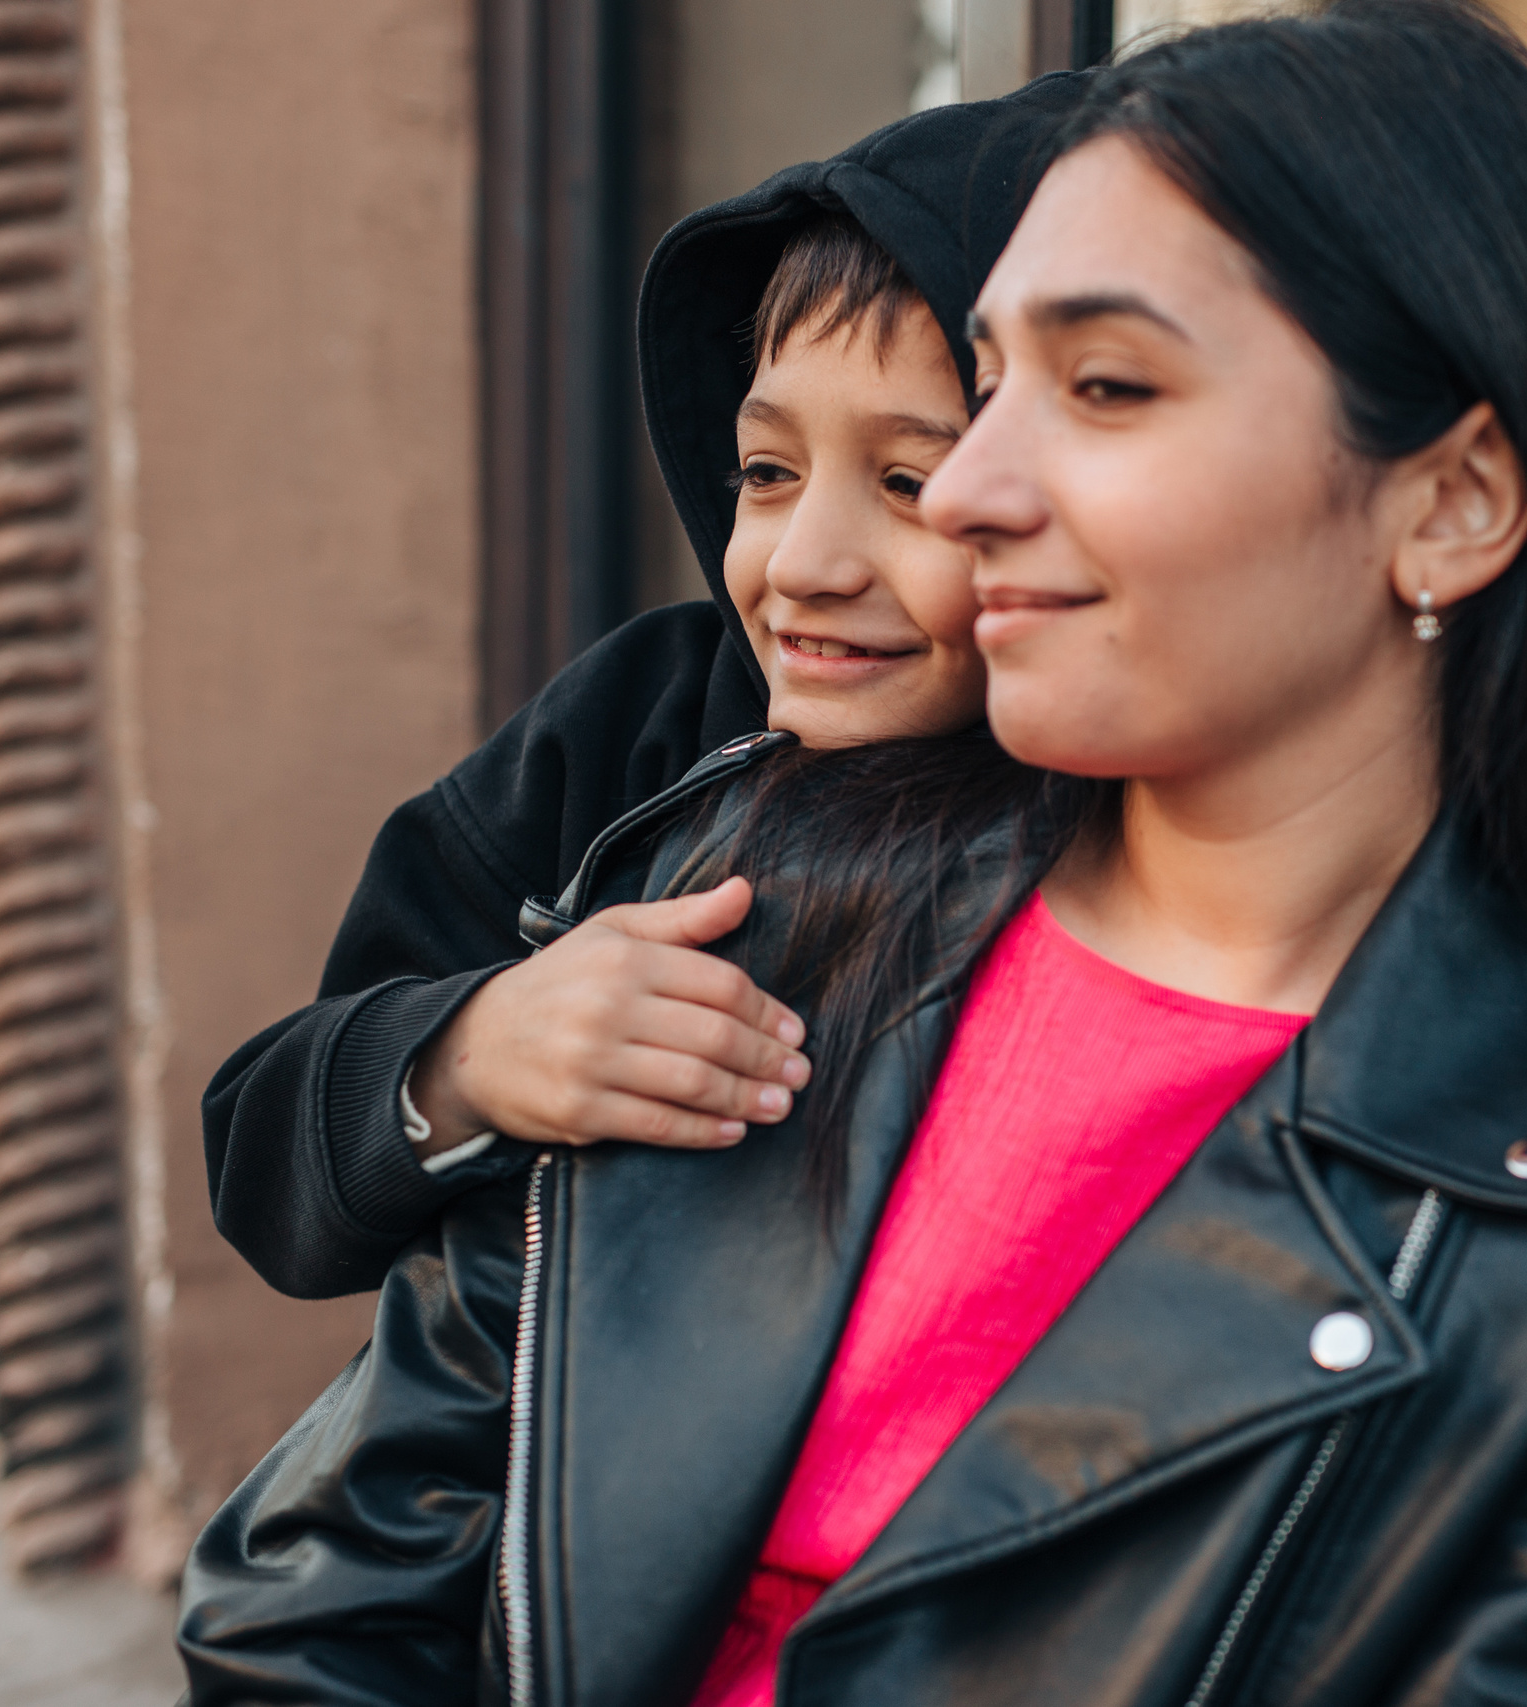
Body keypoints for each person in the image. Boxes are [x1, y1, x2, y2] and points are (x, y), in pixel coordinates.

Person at [179, 6, 1527, 1703]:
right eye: (990, 382)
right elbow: (321, 1596)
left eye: (1103, 383)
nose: (980, 491)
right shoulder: (746, 872)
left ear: (1451, 502)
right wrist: (464, 1058)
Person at [200, 75, 1084, 1300]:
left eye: (908, 485)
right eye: (766, 472)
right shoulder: (640, 725)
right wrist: (469, 1058)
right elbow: (264, 1152)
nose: (803, 565)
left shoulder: (1148, 827)